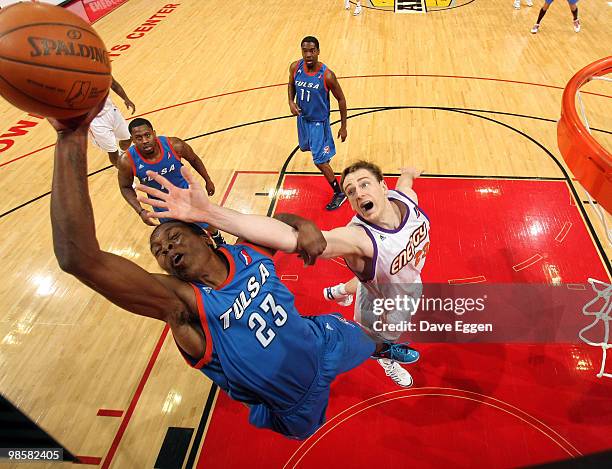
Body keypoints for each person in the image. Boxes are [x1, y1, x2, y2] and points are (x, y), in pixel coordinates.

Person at [49, 109, 418, 440]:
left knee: (365, 339)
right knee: (307, 432)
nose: (167, 250)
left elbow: (274, 224)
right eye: (159, 252)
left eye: (172, 237)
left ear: (204, 237)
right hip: (292, 402)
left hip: (321, 342)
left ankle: (385, 350)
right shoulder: (181, 304)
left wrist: (301, 222)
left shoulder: (245, 251)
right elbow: (79, 259)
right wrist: (71, 136)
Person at [139, 161, 429, 388]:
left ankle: (337, 291)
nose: (358, 193)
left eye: (365, 184)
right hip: (383, 305)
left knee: (380, 277)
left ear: (383, 186)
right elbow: (290, 238)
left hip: (406, 280)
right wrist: (210, 214)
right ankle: (384, 356)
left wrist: (409, 173)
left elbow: (405, 184)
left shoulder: (406, 199)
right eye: (351, 191)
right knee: (379, 335)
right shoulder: (358, 238)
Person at [117, 118, 225, 246]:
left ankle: (217, 237)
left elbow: (194, 159)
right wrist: (140, 211)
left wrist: (208, 180)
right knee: (180, 238)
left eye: (147, 135)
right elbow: (125, 187)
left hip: (187, 196)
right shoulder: (127, 161)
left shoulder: (174, 145)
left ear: (154, 133)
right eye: (139, 138)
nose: (145, 141)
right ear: (133, 140)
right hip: (162, 206)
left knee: (208, 224)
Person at [288, 36, 348, 211]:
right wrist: (291, 102)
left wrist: (343, 126)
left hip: (317, 123)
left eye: (312, 51)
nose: (308, 54)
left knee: (319, 161)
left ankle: (339, 193)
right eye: (305, 51)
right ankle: (324, 151)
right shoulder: (295, 67)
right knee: (304, 147)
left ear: (318, 51)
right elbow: (290, 84)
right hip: (302, 119)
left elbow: (342, 100)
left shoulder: (327, 75)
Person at [89, 77, 136, 166]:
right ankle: (124, 172)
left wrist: (126, 99)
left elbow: (113, 84)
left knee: (128, 138)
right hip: (95, 121)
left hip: (111, 111)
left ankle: (122, 153)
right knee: (113, 151)